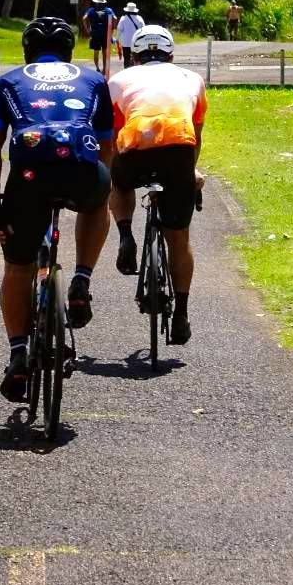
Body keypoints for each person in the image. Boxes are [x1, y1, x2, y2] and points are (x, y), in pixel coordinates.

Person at [0, 17, 115, 401]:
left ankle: (19, 353)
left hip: (29, 176)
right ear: (70, 51)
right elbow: (107, 146)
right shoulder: (94, 80)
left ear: (26, 50)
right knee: (95, 204)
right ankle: (81, 281)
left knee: (18, 267)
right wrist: (101, 183)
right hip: (82, 171)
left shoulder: (6, 81)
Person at [108, 25, 206, 346]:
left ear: (133, 57)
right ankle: (182, 314)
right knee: (178, 238)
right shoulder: (192, 79)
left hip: (136, 146)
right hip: (179, 147)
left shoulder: (119, 81)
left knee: (119, 182)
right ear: (171, 55)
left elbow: (112, 136)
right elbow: (196, 133)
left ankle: (125, 235)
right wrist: (190, 172)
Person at [81, 0, 117, 74]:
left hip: (95, 34)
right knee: (104, 52)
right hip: (105, 34)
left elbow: (84, 18)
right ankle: (104, 69)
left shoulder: (91, 10)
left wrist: (87, 30)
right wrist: (112, 30)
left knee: (96, 52)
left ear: (96, 2)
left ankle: (97, 68)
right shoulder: (109, 10)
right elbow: (115, 18)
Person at [114, 1, 146, 73]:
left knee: (127, 58)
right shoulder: (140, 18)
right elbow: (143, 30)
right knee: (137, 58)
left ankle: (126, 71)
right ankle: (136, 72)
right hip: (137, 43)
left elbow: (119, 30)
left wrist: (117, 39)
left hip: (126, 43)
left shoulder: (123, 19)